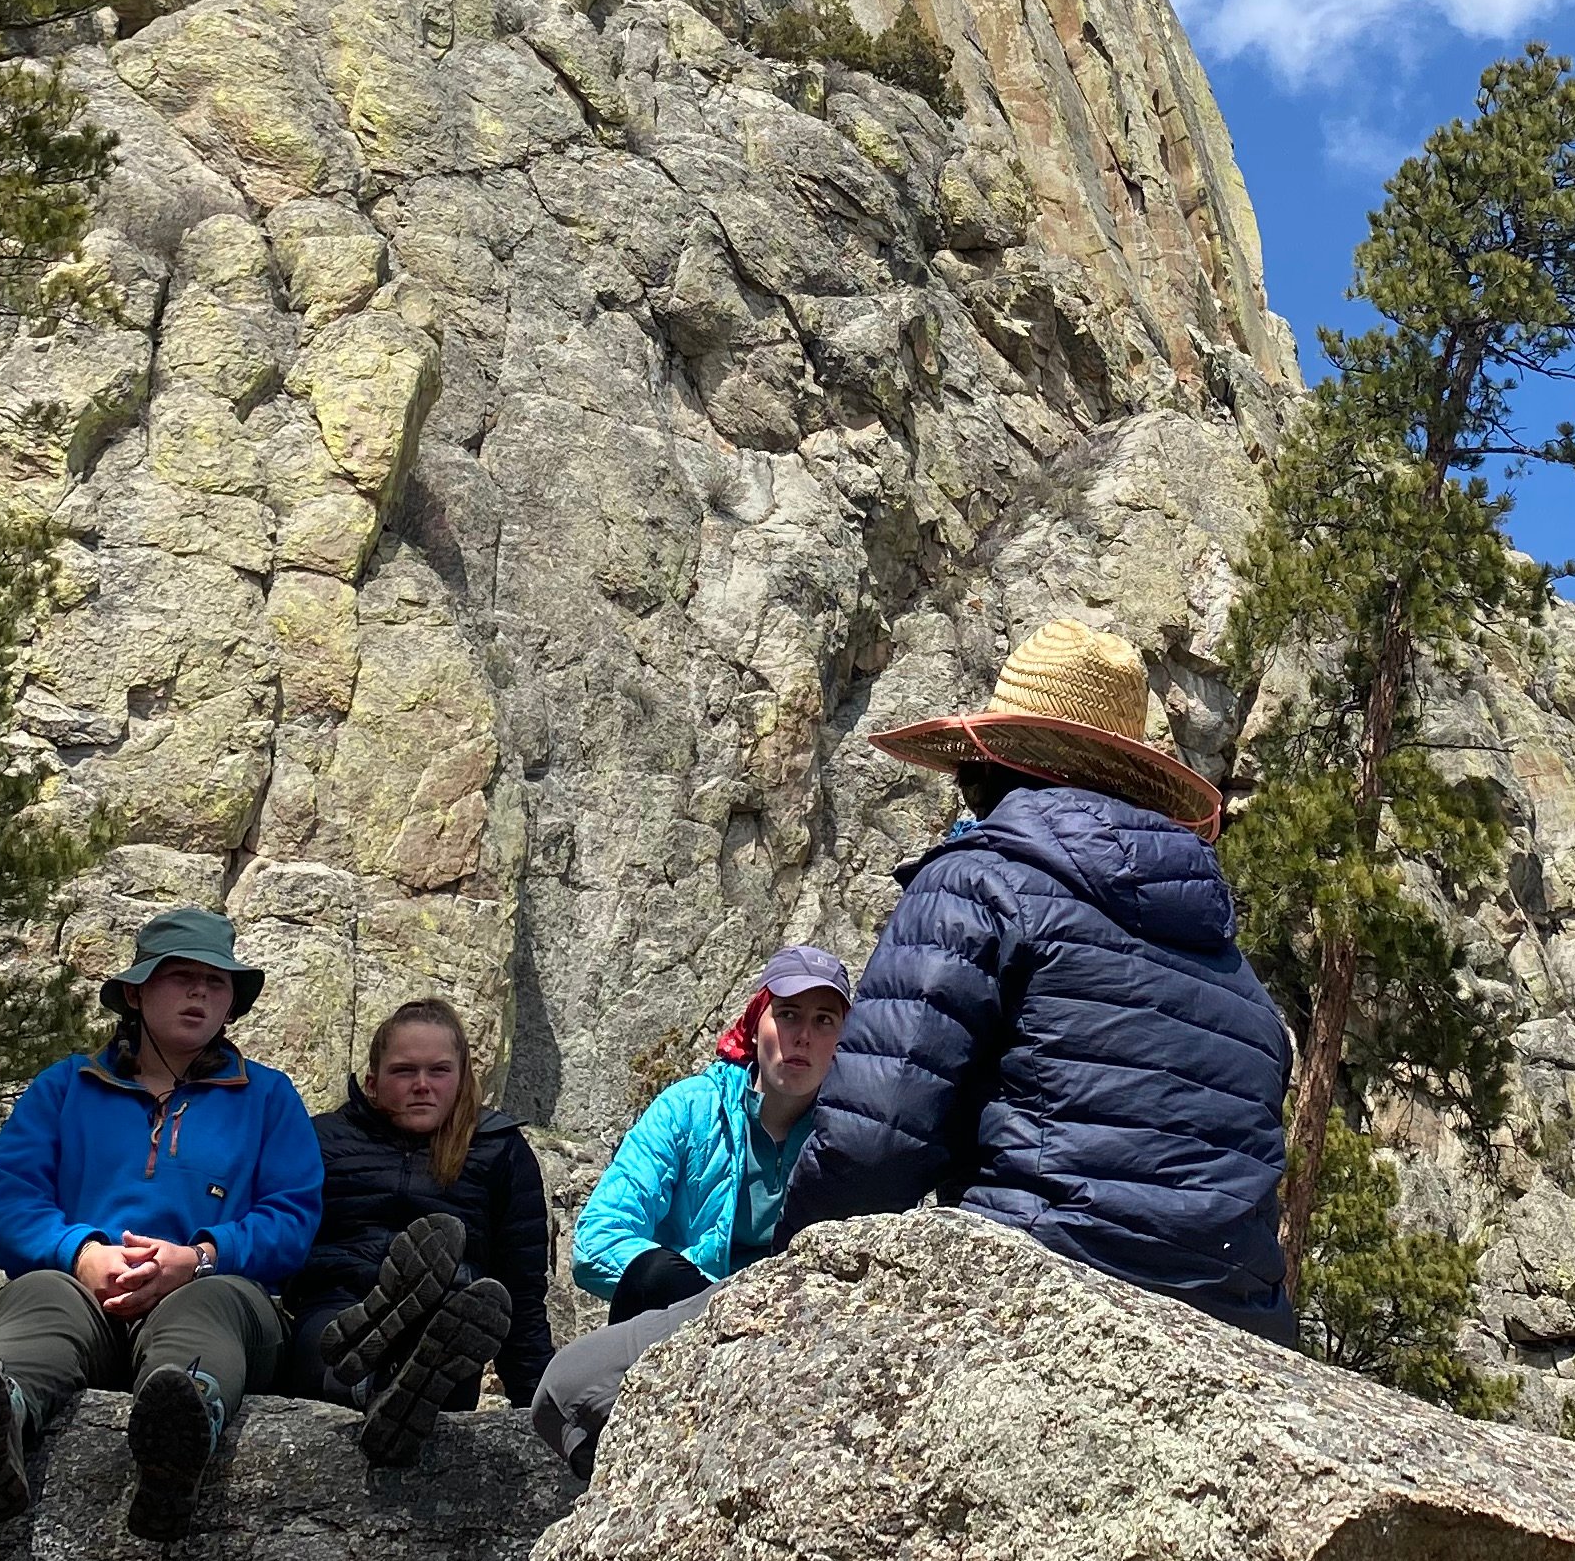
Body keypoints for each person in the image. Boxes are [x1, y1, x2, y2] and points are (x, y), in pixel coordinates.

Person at [779, 617, 1294, 1338]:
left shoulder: (976, 883)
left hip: (1035, 1304)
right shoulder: (1237, 973)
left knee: (579, 1383)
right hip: (1239, 1333)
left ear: (988, 766)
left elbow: (874, 1147)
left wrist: (775, 1280)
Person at [0, 905, 324, 1543]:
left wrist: (198, 1258)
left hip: (216, 1288)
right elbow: (11, 1199)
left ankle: (183, 1431)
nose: (200, 992)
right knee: (37, 1295)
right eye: (180, 976)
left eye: (216, 982)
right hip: (85, 1296)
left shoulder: (270, 1099)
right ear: (136, 991)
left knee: (211, 1306)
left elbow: (292, 1219)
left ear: (231, 1003)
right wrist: (80, 1255)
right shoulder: (64, 1088)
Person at [523, 942, 851, 1476]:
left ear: (844, 1042)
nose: (803, 1036)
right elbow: (597, 1241)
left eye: (824, 1020)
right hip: (677, 1316)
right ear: (756, 1023)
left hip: (788, 1331)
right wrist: (708, 1296)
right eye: (787, 1014)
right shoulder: (689, 1108)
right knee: (651, 1274)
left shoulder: (846, 1134)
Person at [278, 997, 540, 1466]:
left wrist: (539, 1407)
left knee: (448, 1323)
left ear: (462, 1079)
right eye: (404, 1072)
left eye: (439, 1071)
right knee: (329, 1336)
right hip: (337, 1301)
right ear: (373, 1083)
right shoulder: (324, 1140)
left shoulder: (499, 1150)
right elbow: (283, 1235)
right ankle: (375, 1377)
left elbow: (520, 1289)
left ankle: (393, 1380)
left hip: (445, 1316)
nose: (422, 1085)